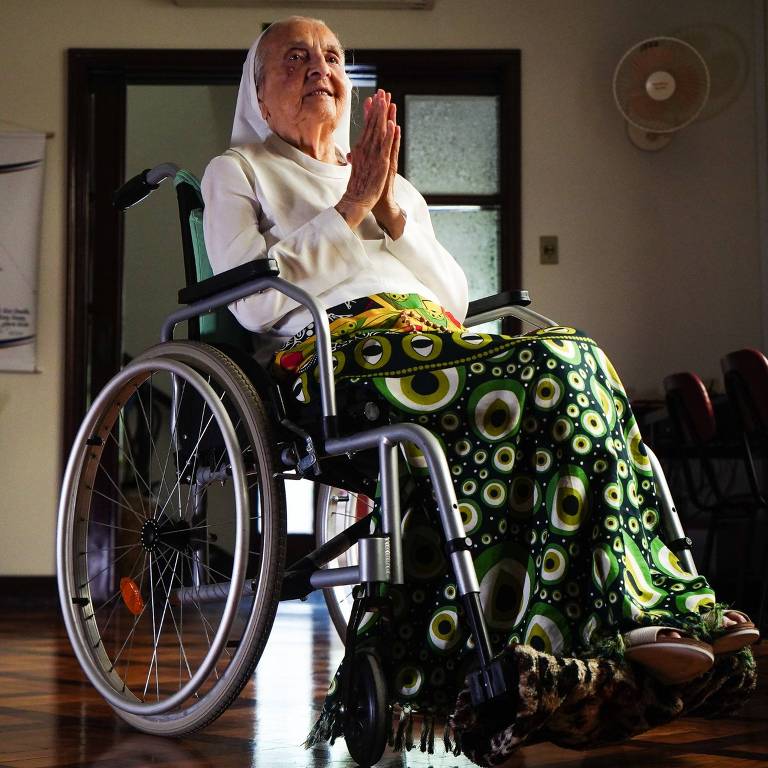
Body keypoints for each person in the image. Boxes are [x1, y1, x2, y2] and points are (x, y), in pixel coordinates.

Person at [202, 15, 758, 751]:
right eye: (295, 58)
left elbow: (455, 302)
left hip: (433, 345)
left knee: (577, 359)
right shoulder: (238, 170)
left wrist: (394, 214)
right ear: (260, 95)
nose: (319, 69)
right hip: (338, 354)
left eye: (332, 56)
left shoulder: (390, 182)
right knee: (554, 364)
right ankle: (618, 615)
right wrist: (350, 207)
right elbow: (253, 300)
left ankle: (631, 618)